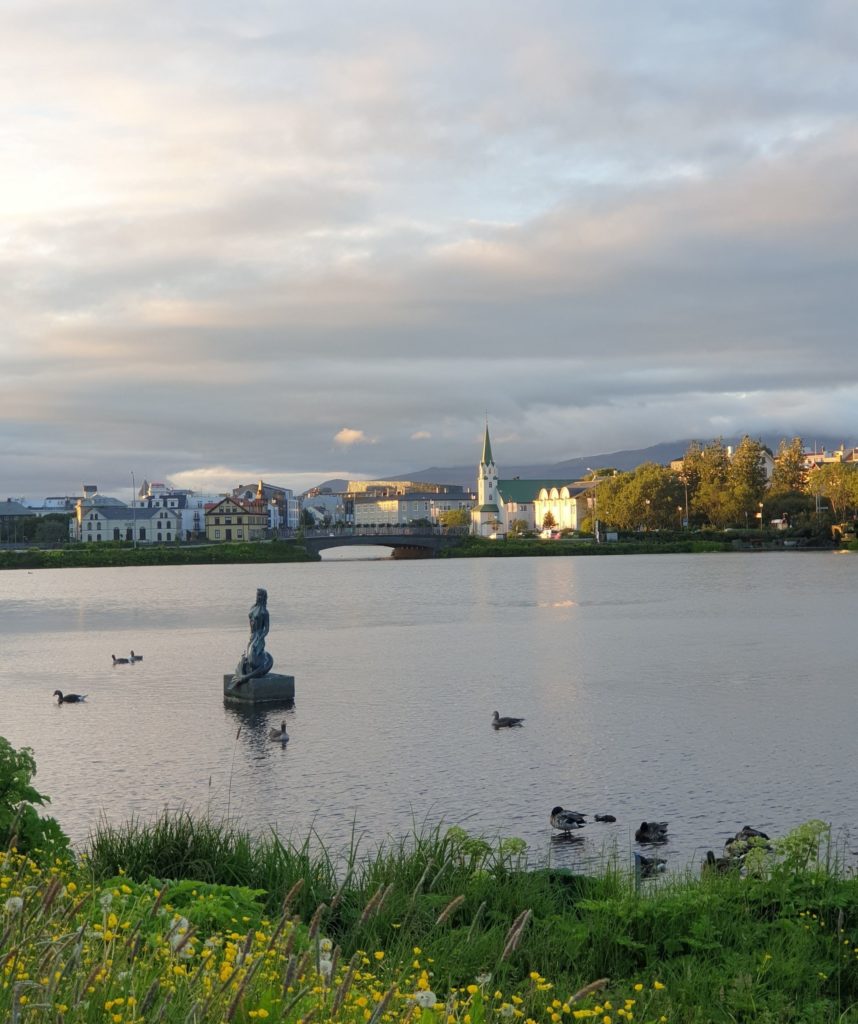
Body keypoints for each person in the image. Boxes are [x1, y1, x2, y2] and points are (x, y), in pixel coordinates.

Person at [229, 588, 274, 688]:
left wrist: (261, 638)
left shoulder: (264, 612)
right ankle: (245, 673)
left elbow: (266, 629)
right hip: (252, 635)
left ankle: (248, 675)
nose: (259, 597)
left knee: (253, 661)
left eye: (261, 596)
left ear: (265, 597)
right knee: (247, 658)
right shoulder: (253, 607)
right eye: (258, 595)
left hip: (258, 637)